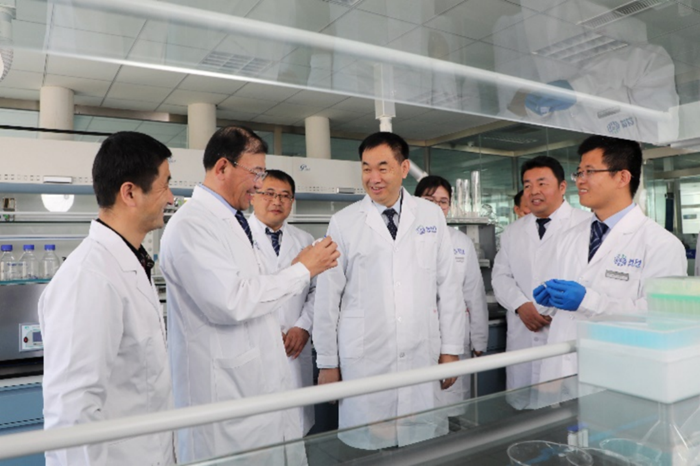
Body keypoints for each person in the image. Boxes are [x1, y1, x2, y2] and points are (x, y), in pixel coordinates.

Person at [159, 126, 339, 463]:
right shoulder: (191, 225)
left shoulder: (231, 221)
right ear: (223, 167)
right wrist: (302, 269)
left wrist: (299, 272)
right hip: (224, 397)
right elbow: (232, 301)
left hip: (257, 386)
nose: (259, 184)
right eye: (256, 174)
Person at [313, 132, 465, 450]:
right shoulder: (343, 222)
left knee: (420, 445)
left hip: (421, 349)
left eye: (383, 168)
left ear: (404, 168)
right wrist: (327, 362)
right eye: (366, 168)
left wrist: (451, 349)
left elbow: (448, 286)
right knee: (373, 445)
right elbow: (328, 296)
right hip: (367, 355)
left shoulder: (430, 216)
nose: (374, 178)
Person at [38, 132, 176, 466]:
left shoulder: (129, 262)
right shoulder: (89, 277)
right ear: (130, 192)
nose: (171, 198)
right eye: (165, 185)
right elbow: (72, 412)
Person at [535, 136, 687, 382]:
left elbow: (661, 319)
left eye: (589, 171)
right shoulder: (568, 237)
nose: (580, 180)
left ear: (622, 177)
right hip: (559, 368)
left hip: (617, 372)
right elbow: (556, 306)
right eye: (579, 172)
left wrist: (589, 301)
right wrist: (546, 301)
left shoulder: (661, 245)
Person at [492, 156, 591, 401]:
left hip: (564, 333)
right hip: (523, 333)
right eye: (527, 185)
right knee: (523, 408)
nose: (533, 191)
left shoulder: (587, 225)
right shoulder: (513, 232)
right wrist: (521, 305)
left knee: (565, 411)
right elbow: (501, 276)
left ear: (562, 187)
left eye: (542, 183)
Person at [249, 169, 316, 436]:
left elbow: (317, 291)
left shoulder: (305, 241)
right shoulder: (238, 238)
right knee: (260, 434)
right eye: (269, 193)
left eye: (284, 196)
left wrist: (303, 326)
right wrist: (264, 331)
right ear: (253, 196)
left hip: (295, 349)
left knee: (297, 433)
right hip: (255, 348)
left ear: (292, 201)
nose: (277, 201)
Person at [415, 175, 488, 405]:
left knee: (451, 406)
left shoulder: (461, 242)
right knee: (417, 407)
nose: (437, 207)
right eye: (429, 200)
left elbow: (474, 294)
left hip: (454, 337)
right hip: (415, 338)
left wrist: (479, 339)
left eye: (443, 201)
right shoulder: (403, 240)